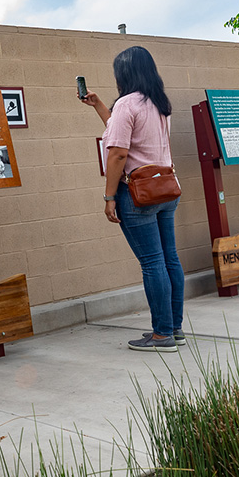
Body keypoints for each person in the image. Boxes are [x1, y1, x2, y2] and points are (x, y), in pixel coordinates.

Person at [79, 46, 184, 352]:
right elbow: (124, 133)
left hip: (138, 194)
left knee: (152, 263)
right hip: (166, 189)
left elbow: (119, 153)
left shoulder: (127, 104)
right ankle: (174, 329)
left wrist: (109, 196)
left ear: (123, 73)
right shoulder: (159, 104)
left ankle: (162, 335)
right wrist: (98, 105)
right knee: (169, 259)